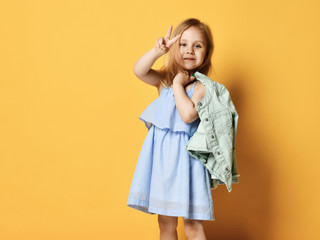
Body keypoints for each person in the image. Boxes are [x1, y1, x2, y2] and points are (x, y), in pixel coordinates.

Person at [127, 18, 215, 240]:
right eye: (183, 44)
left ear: (206, 52)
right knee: (165, 224)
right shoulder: (164, 79)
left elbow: (187, 116)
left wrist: (178, 85)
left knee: (194, 226)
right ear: (175, 47)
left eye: (198, 45)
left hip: (189, 163)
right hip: (163, 163)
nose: (189, 51)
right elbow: (139, 70)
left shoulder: (202, 87)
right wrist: (158, 51)